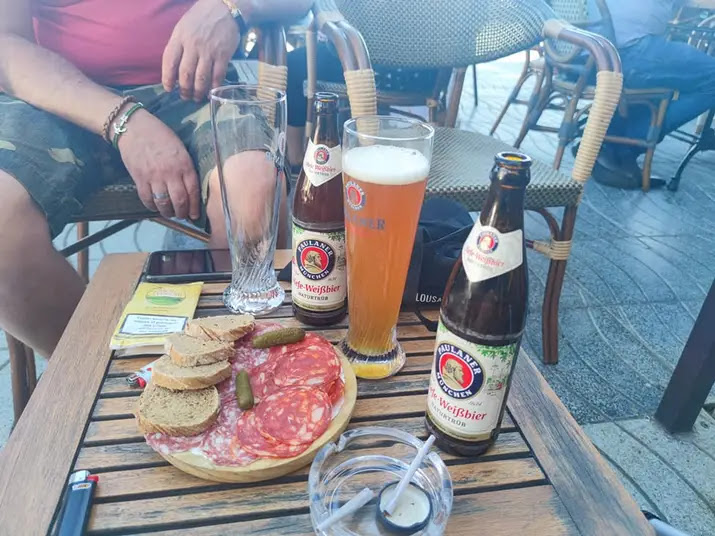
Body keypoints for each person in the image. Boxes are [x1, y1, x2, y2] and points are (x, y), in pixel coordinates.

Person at [0, 0, 311, 358]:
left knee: (254, 188)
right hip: (55, 94)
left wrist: (232, 7)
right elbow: (7, 45)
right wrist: (124, 121)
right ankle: (103, 369)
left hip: (191, 86)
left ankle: (240, 363)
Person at [592, 0, 715, 188]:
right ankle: (620, 146)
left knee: (676, 71)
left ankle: (605, 137)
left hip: (585, 49)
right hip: (627, 51)